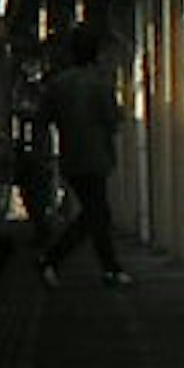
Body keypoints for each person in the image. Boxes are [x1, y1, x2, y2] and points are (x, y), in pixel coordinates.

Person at [35, 22, 131, 286]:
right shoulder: (100, 84)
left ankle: (110, 269)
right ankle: (52, 259)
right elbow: (112, 120)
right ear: (96, 54)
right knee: (96, 214)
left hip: (70, 157)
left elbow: (43, 119)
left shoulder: (58, 85)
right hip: (96, 156)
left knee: (97, 213)